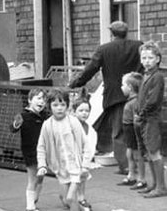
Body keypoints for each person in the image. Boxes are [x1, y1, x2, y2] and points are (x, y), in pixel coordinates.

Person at [68, 21, 143, 175]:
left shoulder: (104, 49)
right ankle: (137, 165)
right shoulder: (138, 45)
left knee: (119, 132)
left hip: (115, 96)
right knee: (136, 129)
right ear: (126, 32)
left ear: (112, 33)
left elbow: (90, 69)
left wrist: (75, 83)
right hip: (137, 93)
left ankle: (126, 167)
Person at [37, 89, 94, 211]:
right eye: (55, 105)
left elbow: (86, 144)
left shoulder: (73, 122)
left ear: (67, 106)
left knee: (69, 198)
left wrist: (85, 165)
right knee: (69, 200)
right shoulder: (47, 125)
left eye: (62, 105)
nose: (59, 108)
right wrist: (42, 165)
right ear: (49, 106)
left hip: (75, 166)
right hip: (61, 168)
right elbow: (41, 146)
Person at [10, 88, 49, 211]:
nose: (41, 101)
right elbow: (13, 128)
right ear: (29, 100)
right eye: (38, 98)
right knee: (32, 179)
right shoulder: (24, 116)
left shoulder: (44, 116)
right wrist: (16, 123)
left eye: (44, 99)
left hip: (43, 152)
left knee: (40, 178)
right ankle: (30, 207)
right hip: (30, 152)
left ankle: (34, 199)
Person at [136, 42, 167, 198]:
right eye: (144, 57)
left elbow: (153, 100)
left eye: (150, 57)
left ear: (157, 59)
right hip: (145, 119)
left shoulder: (157, 77)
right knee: (149, 151)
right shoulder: (146, 75)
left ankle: (161, 187)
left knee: (155, 152)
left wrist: (141, 113)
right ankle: (154, 184)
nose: (146, 61)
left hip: (151, 118)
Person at [115, 72, 147, 191]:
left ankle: (141, 179)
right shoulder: (131, 100)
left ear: (130, 87)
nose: (121, 87)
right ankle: (131, 175)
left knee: (137, 154)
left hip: (134, 128)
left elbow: (138, 117)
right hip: (128, 128)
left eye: (123, 85)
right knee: (129, 152)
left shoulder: (135, 102)